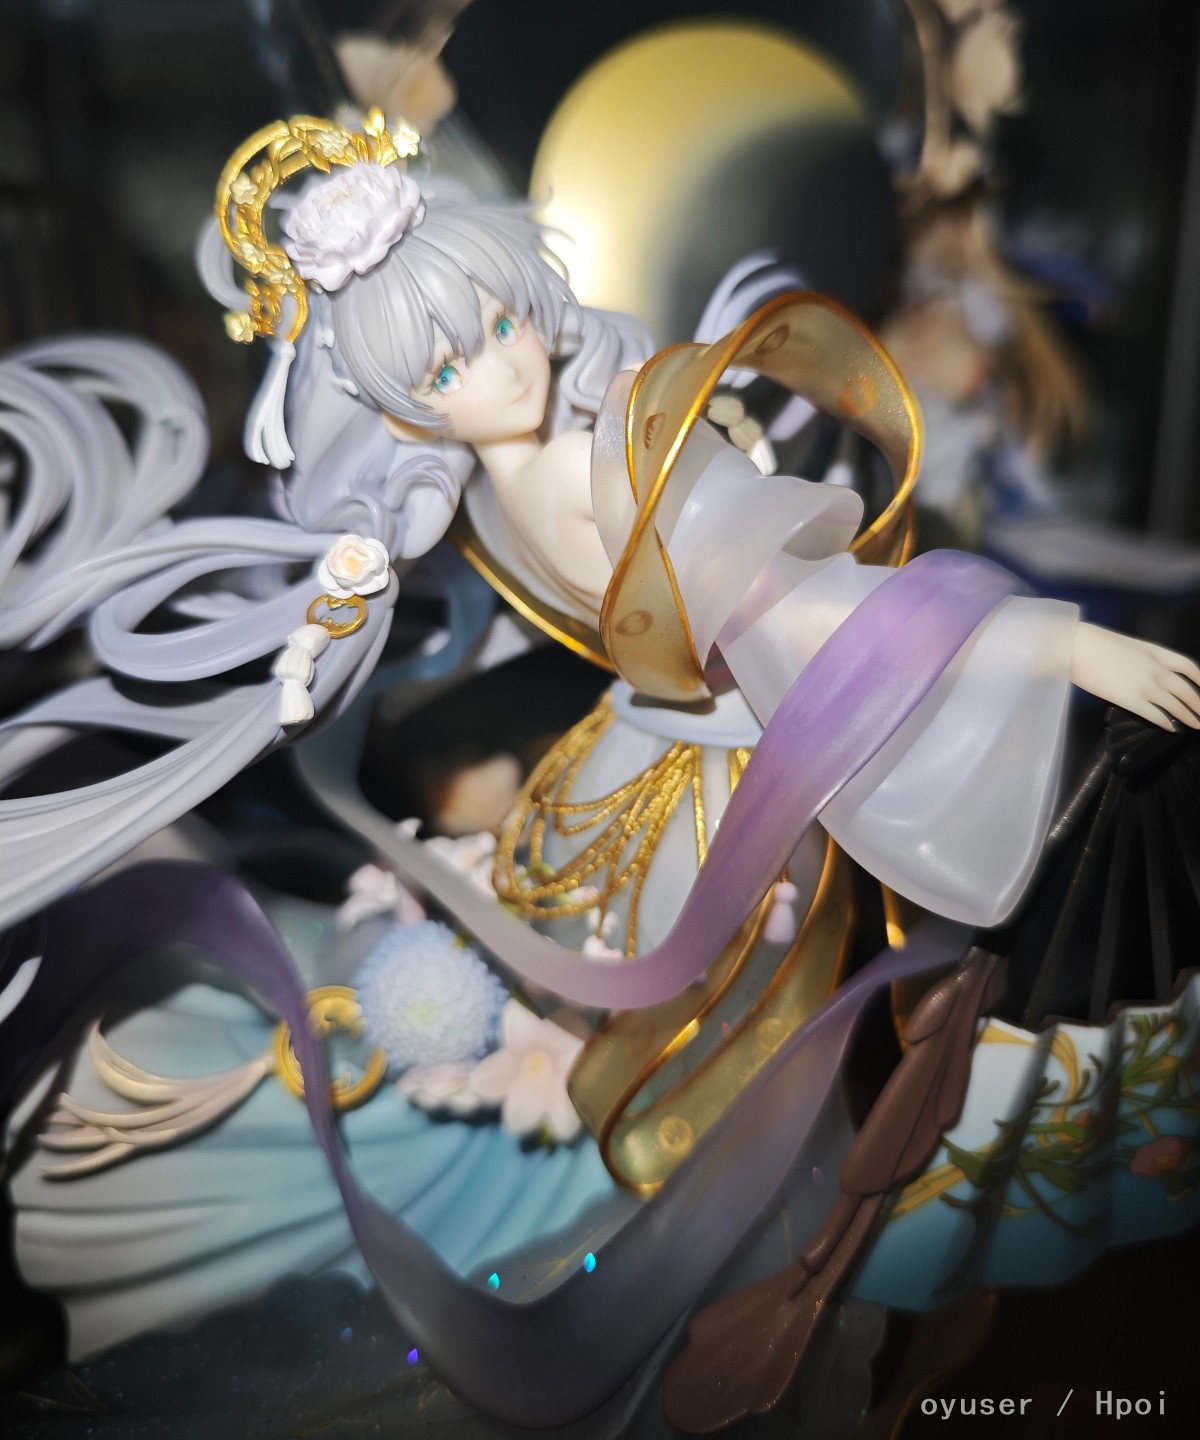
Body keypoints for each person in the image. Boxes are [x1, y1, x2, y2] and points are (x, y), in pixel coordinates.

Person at [2, 109, 1197, 1431]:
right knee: (628, 1029)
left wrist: (1055, 641)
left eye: (499, 323)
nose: (498, 365)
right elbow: (726, 611)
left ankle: (701, 1224)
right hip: (648, 780)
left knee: (713, 1061)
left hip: (717, 786)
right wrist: (341, 600)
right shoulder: (501, 484)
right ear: (401, 404)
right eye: (448, 364)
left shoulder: (598, 470)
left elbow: (821, 615)